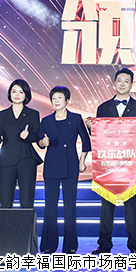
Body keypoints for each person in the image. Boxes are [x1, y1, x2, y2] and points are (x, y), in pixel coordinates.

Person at [90, 68, 136, 255]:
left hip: (130, 165)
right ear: (114, 83)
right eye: (119, 81)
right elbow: (99, 134)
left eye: (126, 81)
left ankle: (135, 245)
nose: (122, 84)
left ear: (132, 84)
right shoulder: (103, 108)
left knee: (132, 207)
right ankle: (104, 244)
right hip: (109, 165)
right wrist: (92, 127)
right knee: (107, 206)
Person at [38, 86, 91, 254]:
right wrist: (43, 143)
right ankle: (49, 245)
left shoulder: (75, 119)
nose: (56, 101)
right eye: (54, 98)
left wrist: (82, 161)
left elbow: (86, 141)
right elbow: (40, 141)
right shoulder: (46, 121)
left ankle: (70, 246)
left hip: (70, 165)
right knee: (50, 206)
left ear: (67, 100)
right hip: (52, 165)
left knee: (70, 206)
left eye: (59, 98)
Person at [0, 79, 42, 209]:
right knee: (5, 202)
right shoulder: (2, 115)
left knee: (27, 202)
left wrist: (27, 136)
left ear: (26, 95)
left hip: (27, 160)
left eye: (21, 92)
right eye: (14, 91)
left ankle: (26, 224)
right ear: (10, 94)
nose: (17, 94)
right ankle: (6, 224)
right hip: (6, 160)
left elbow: (36, 137)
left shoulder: (33, 114)